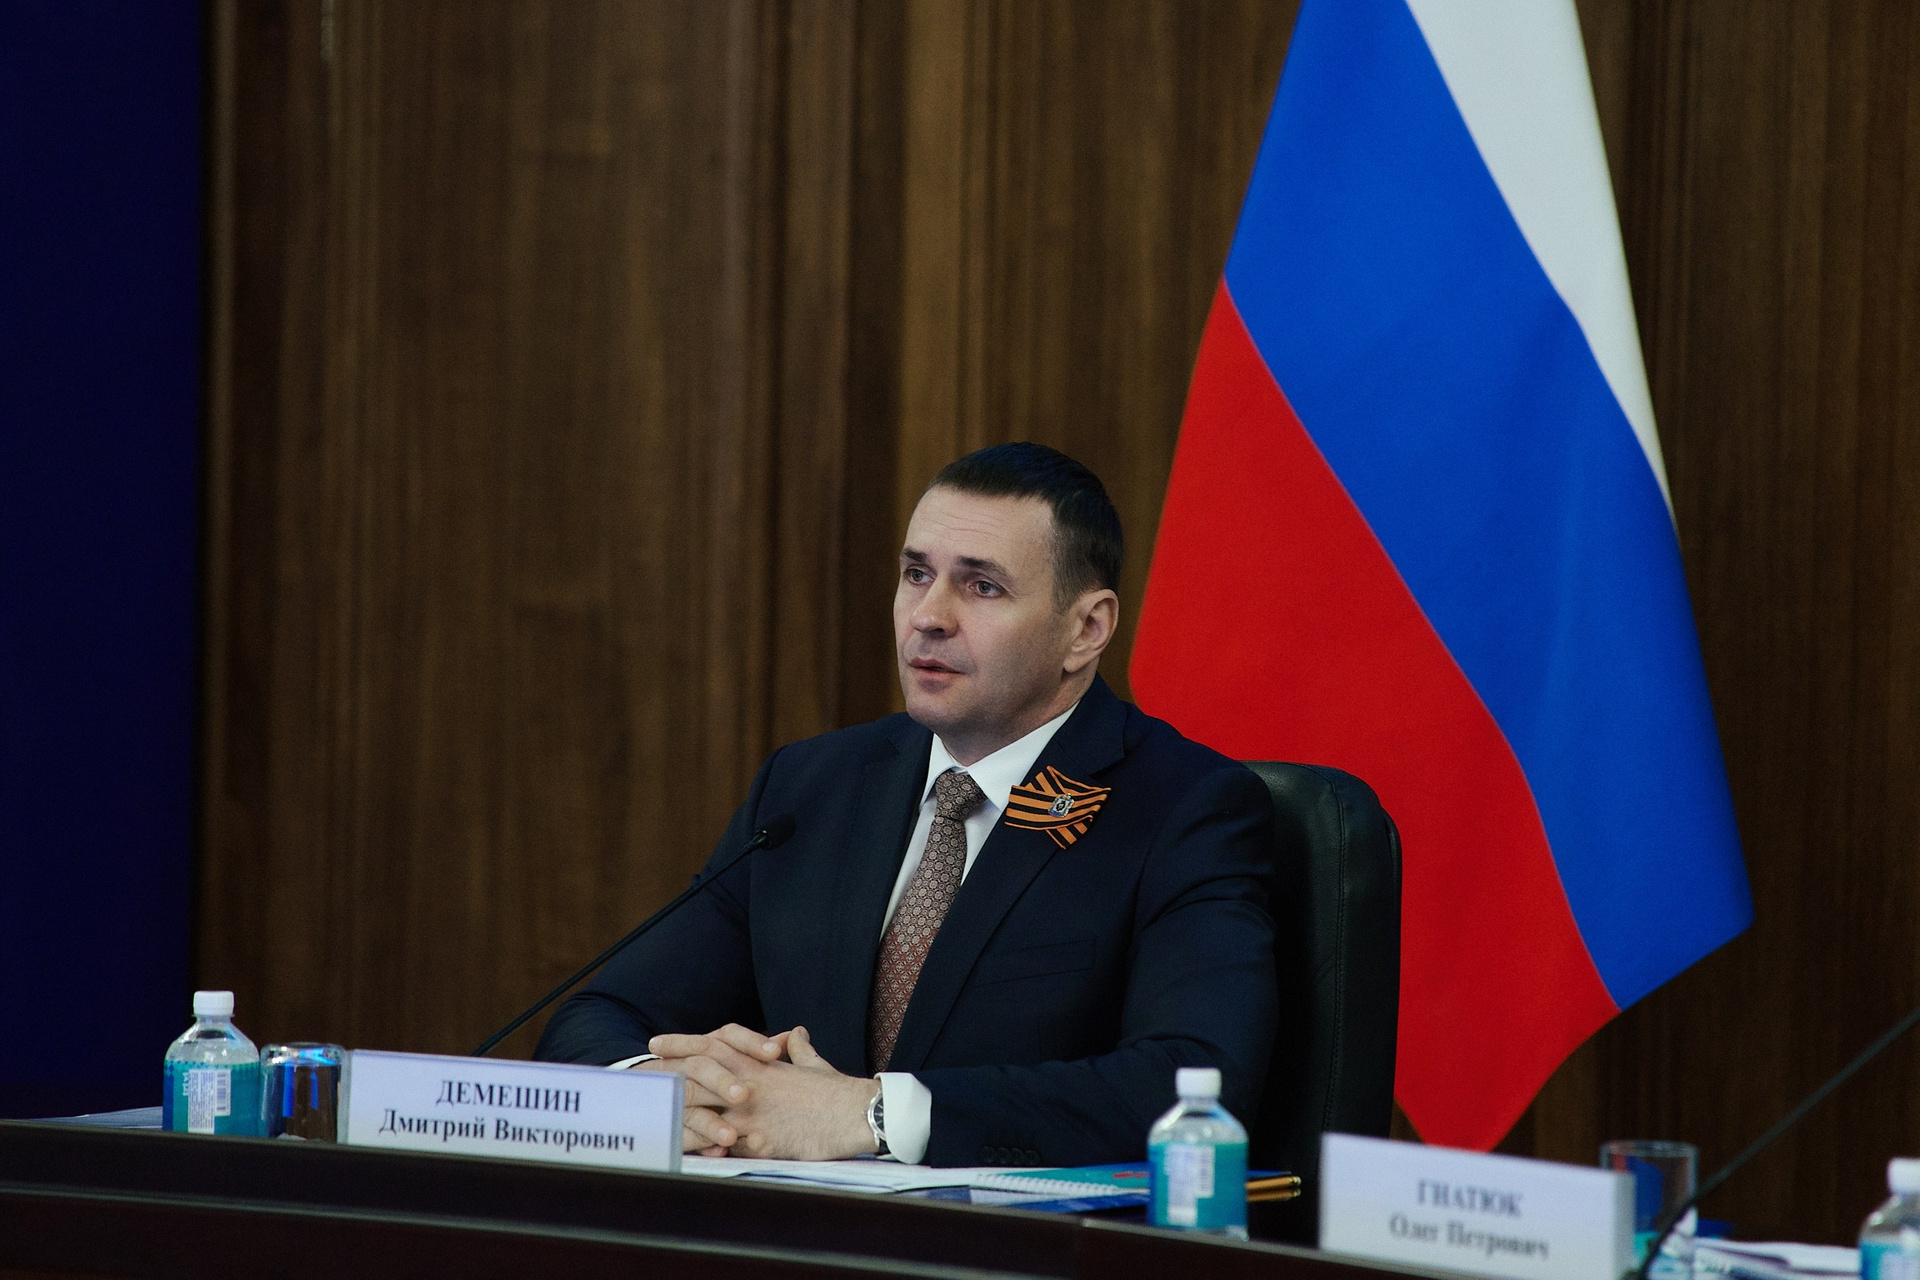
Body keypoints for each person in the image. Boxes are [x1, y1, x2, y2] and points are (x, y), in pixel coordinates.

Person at [535, 442, 1277, 1167]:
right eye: (916, 574)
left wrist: (873, 1114)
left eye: (981, 587)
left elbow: (1194, 1078)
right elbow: (597, 1018)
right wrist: (668, 1093)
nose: (928, 615)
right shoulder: (810, 787)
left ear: (1086, 630)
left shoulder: (1183, 807)